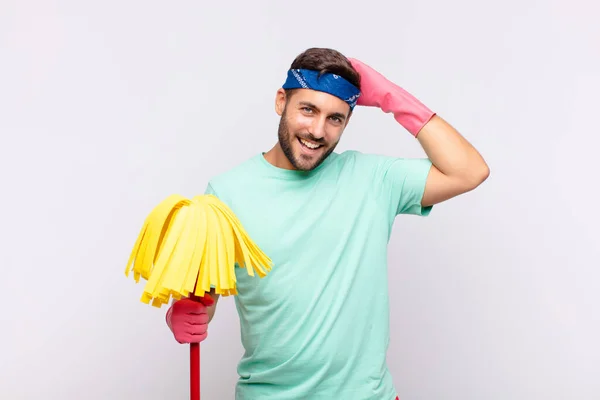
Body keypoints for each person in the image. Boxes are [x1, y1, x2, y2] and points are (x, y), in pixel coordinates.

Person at [165, 47, 490, 399]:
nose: (317, 130)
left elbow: (469, 171)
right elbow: (203, 301)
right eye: (308, 110)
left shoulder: (373, 179)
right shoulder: (226, 193)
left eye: (335, 118)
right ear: (281, 102)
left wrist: (391, 98)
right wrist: (181, 315)